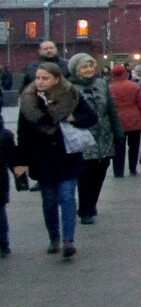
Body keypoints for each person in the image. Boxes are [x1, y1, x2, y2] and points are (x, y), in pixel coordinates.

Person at [14, 61, 98, 259]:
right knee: (49, 201)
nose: (40, 82)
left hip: (67, 156)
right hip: (42, 158)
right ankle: (54, 238)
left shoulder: (71, 95)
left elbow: (91, 118)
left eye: (45, 78)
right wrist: (21, 161)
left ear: (56, 79)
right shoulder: (28, 100)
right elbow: (23, 133)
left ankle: (68, 240)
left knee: (67, 198)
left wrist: (73, 118)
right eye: (37, 78)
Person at [68, 53, 122, 225]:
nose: (89, 70)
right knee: (86, 174)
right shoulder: (70, 88)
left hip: (105, 137)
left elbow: (112, 110)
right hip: (83, 137)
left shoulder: (102, 83)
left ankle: (92, 203)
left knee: (100, 171)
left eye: (91, 66)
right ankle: (85, 209)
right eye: (84, 67)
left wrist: (118, 133)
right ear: (75, 70)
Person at [108, 64, 141, 177]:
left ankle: (118, 171)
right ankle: (132, 169)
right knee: (134, 146)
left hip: (117, 121)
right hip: (134, 119)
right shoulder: (134, 86)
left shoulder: (110, 88)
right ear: (125, 74)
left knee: (118, 147)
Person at [1, 124, 17, 257]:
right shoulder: (6, 134)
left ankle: (3, 243)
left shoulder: (5, 135)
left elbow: (13, 159)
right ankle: (3, 244)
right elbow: (13, 159)